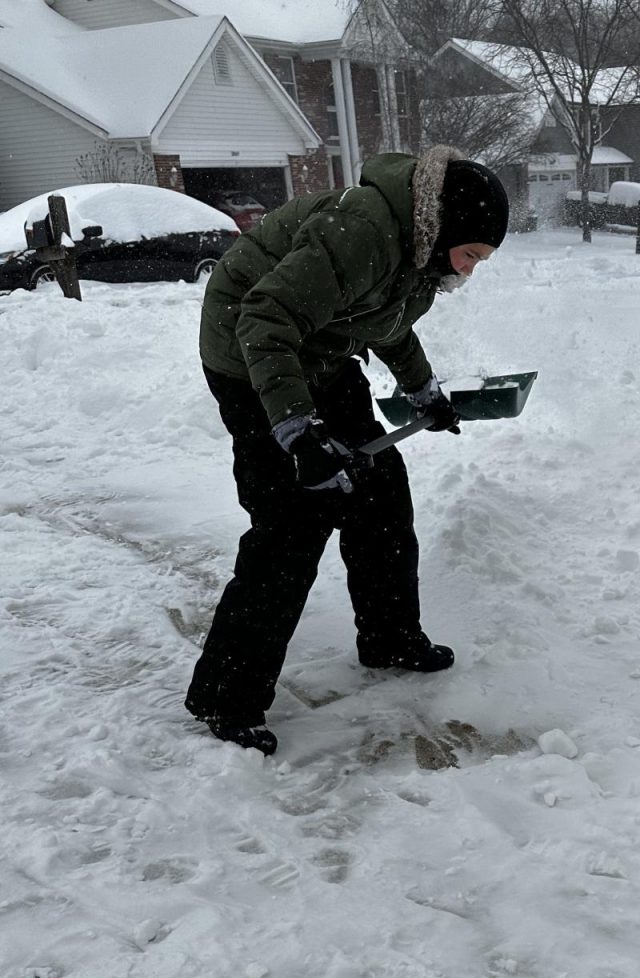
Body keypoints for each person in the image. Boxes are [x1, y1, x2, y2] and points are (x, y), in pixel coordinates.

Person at [184, 145, 509, 755]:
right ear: (445, 232)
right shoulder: (363, 231)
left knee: (380, 489)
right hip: (251, 354)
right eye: (470, 255)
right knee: (292, 521)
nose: (468, 271)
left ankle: (389, 636)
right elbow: (264, 319)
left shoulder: (418, 250)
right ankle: (225, 697)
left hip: (321, 352)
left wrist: (422, 389)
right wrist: (296, 431)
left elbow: (385, 319)